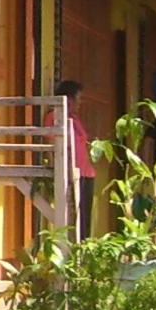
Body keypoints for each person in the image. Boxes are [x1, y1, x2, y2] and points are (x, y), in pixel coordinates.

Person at [47, 80, 96, 238]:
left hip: (86, 173)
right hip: (70, 172)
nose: (80, 103)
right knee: (71, 218)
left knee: (84, 219)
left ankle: (83, 252)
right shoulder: (53, 117)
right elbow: (50, 145)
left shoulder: (74, 119)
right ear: (68, 99)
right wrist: (57, 172)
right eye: (78, 99)